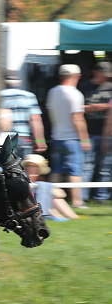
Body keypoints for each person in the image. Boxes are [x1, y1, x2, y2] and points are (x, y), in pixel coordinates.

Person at [46, 64, 91, 209]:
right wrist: (84, 139)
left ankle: (49, 199)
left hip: (56, 136)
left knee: (56, 170)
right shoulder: (75, 94)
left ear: (60, 75)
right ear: (78, 76)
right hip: (72, 138)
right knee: (75, 170)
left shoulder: (52, 92)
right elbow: (78, 118)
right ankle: (77, 202)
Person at [81, 62, 112, 204]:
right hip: (89, 133)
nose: (106, 78)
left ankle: (102, 197)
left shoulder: (110, 88)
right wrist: (93, 107)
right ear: (96, 72)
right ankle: (82, 198)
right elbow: (75, 109)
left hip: (107, 134)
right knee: (87, 167)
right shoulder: (84, 87)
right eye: (104, 74)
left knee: (105, 167)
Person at [0, 69, 46, 157]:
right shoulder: (28, 96)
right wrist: (39, 140)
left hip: (4, 139)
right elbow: (35, 120)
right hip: (24, 139)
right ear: (19, 81)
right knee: (23, 167)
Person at [21, 153, 78, 221]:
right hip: (27, 203)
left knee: (54, 198)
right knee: (50, 196)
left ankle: (73, 217)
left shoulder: (42, 181)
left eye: (34, 166)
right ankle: (55, 216)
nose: (30, 168)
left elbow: (61, 194)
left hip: (39, 202)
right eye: (28, 166)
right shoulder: (22, 178)